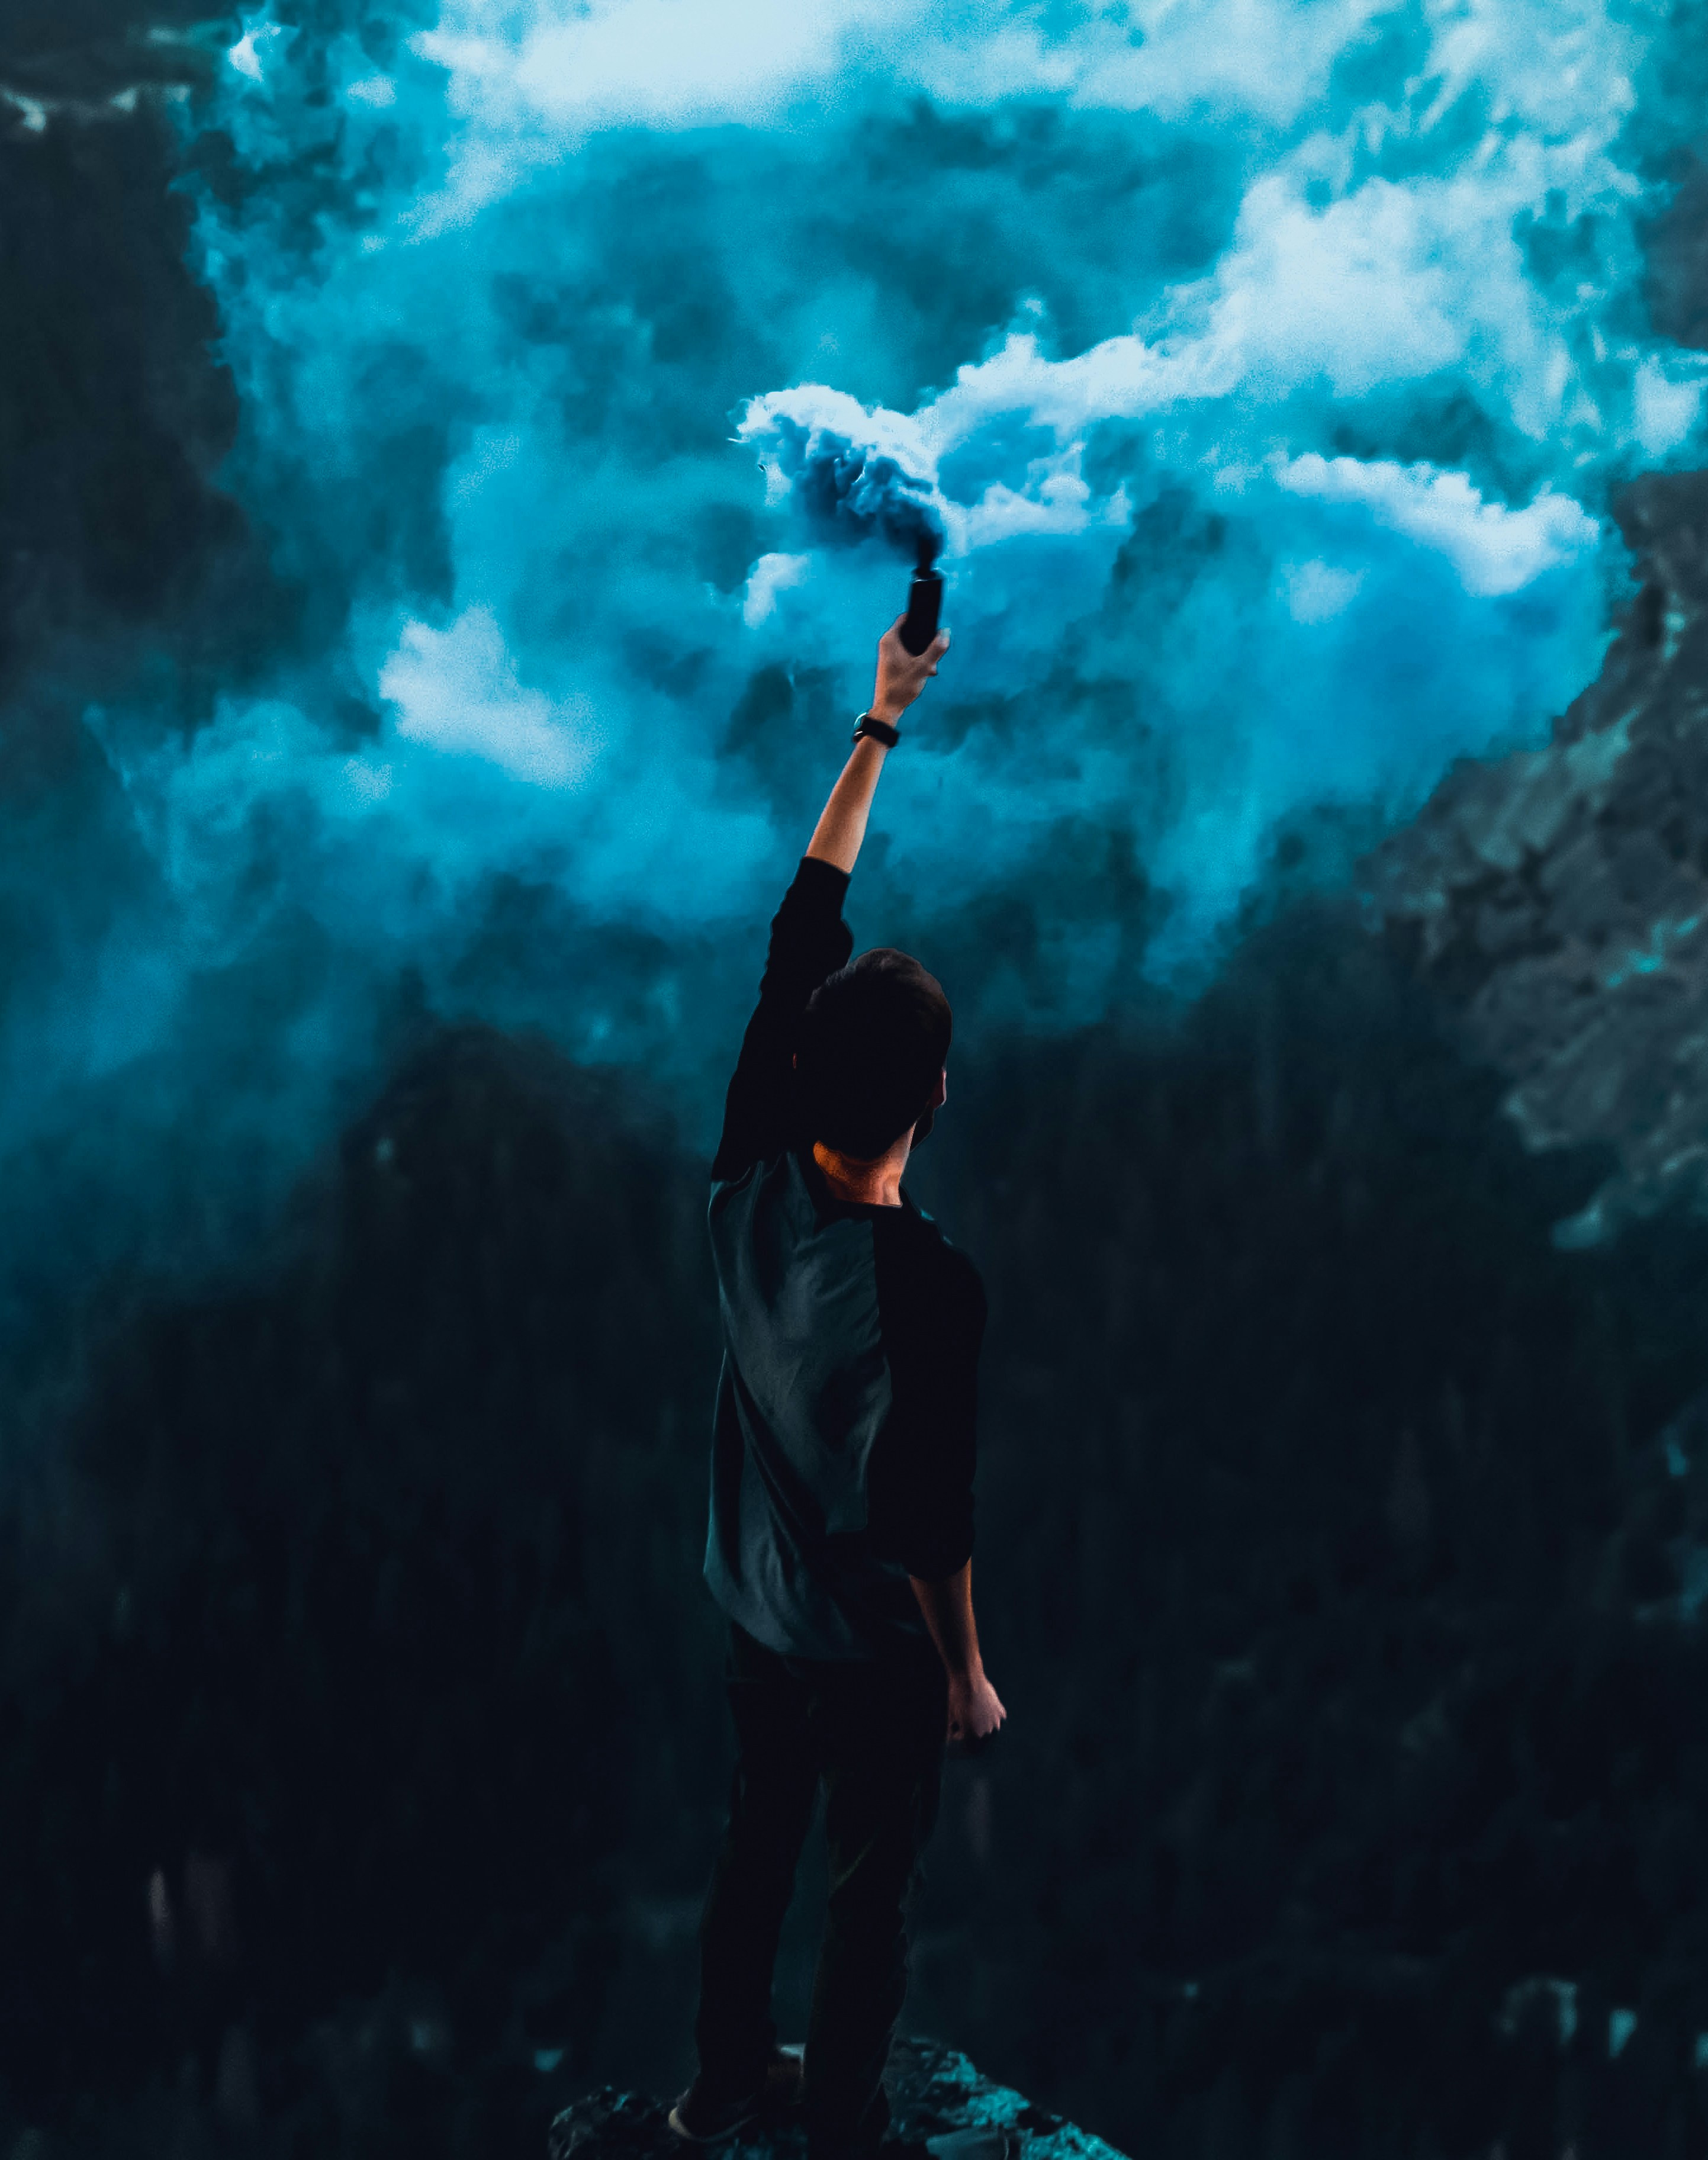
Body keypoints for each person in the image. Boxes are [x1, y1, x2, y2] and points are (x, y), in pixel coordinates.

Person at [670, 613, 1006, 2160]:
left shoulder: (747, 1159)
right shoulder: (928, 1291)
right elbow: (932, 1517)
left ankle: (723, 2083)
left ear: (803, 1069)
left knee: (755, 1841)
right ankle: (843, 2131)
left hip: (750, 1603)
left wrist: (878, 724)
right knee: (868, 1893)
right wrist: (966, 1676)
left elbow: (808, 917)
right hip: (865, 1647)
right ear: (937, 1099)